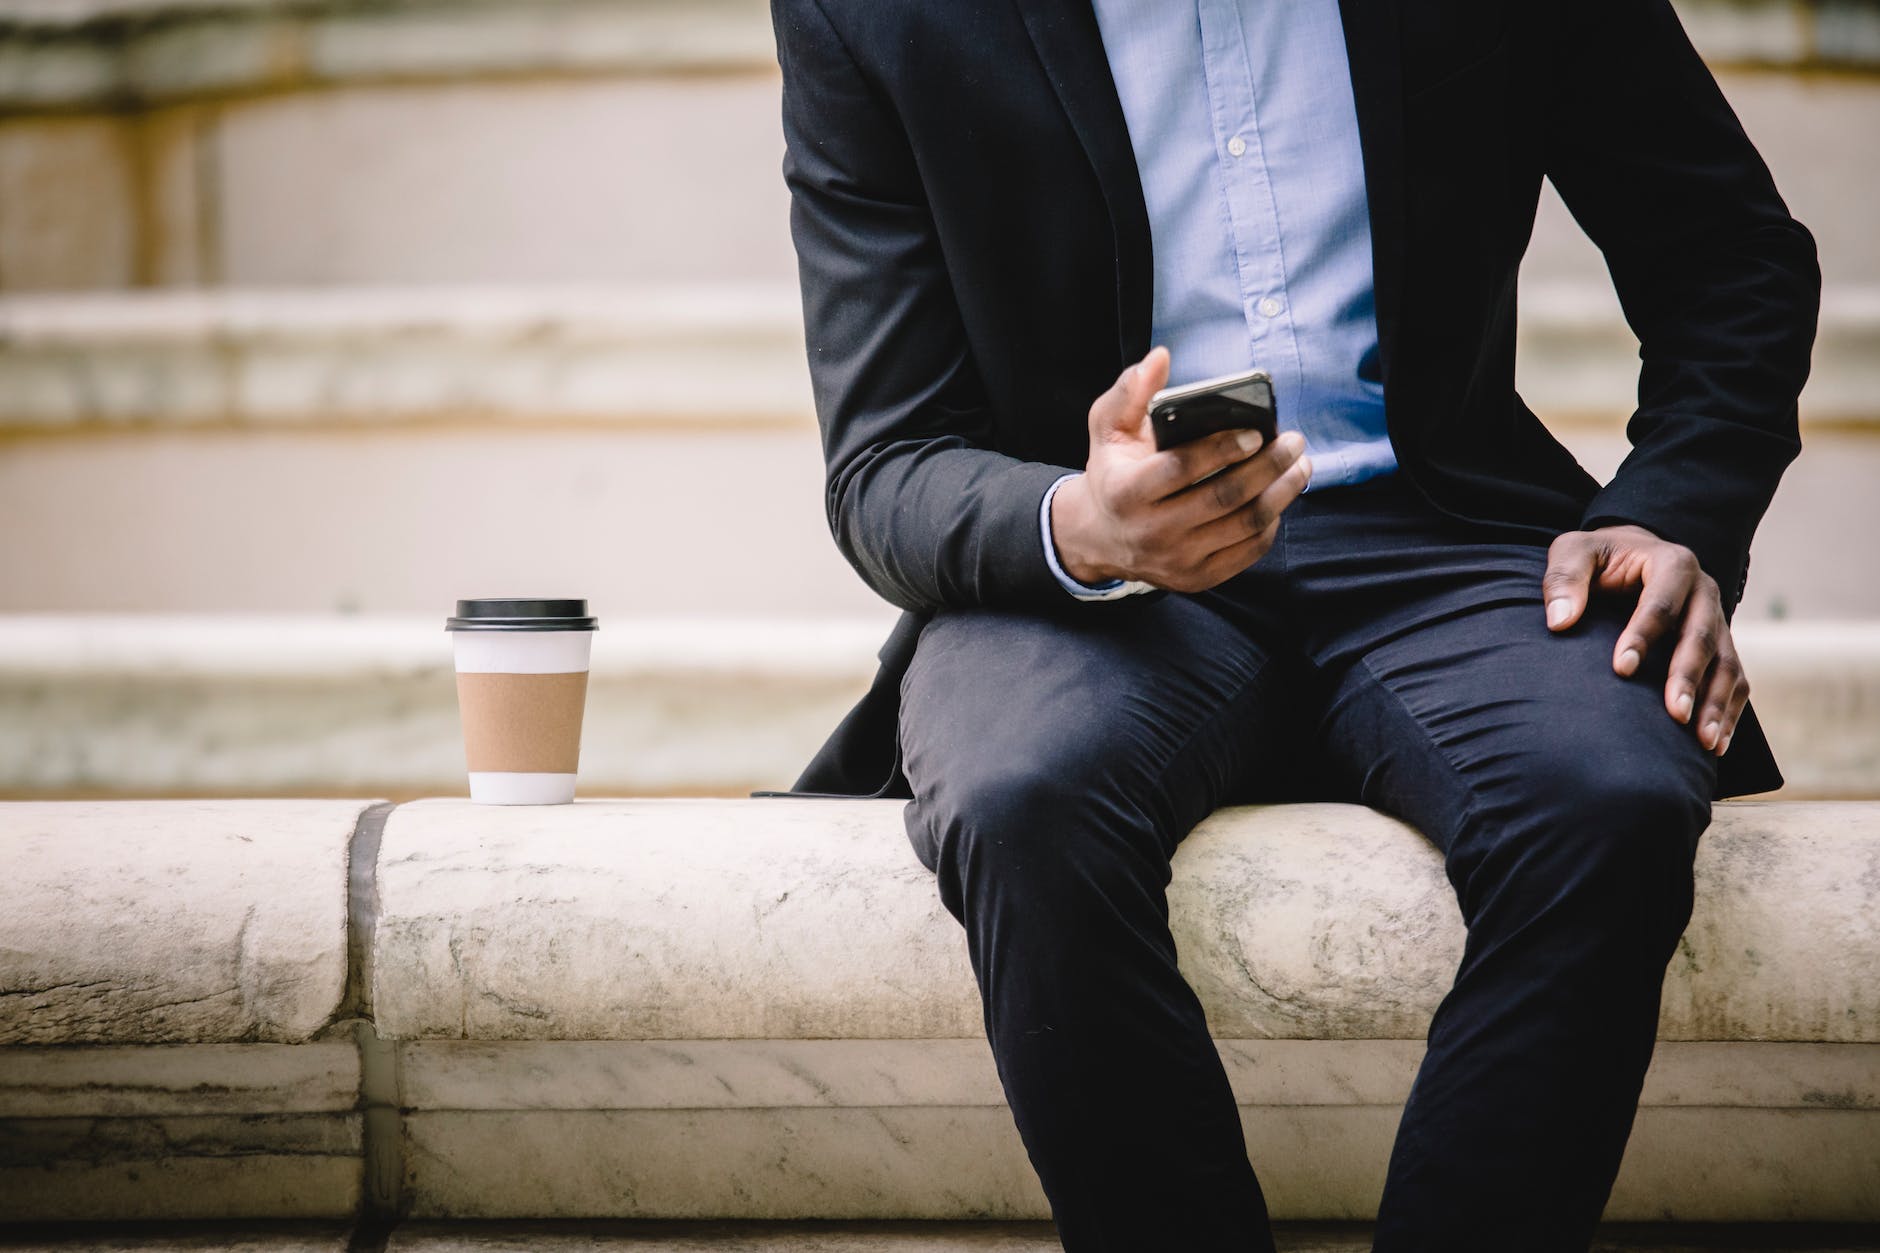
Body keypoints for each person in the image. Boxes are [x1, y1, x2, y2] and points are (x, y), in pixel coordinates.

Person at [762, 0, 1820, 1248]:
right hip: (1097, 577)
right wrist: (1082, 522)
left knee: (1609, 792)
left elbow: (1728, 256)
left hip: (1447, 540)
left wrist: (1673, 511)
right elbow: (886, 457)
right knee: (1020, 798)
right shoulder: (872, 14)